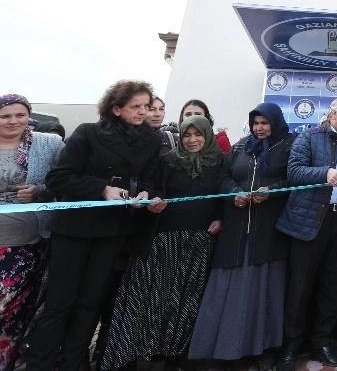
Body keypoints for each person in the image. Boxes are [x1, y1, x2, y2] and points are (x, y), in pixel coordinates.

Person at [28, 80, 161, 371]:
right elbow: (58, 178)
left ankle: (75, 362)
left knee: (90, 301)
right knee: (60, 301)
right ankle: (41, 362)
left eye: (146, 106)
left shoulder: (151, 140)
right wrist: (101, 189)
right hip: (76, 228)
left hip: (114, 230)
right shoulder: (88, 133)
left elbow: (149, 178)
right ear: (116, 108)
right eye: (135, 107)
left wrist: (143, 195)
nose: (143, 112)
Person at [101, 115, 225, 370]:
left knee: (186, 302)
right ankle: (143, 354)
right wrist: (153, 202)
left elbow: (224, 197)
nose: (192, 140)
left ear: (208, 135)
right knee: (154, 300)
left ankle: (174, 355)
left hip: (200, 245)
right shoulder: (168, 162)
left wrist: (220, 218)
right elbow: (152, 188)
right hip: (163, 243)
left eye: (198, 134)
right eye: (187, 135)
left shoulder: (221, 163)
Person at [188, 102, 294, 366]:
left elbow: (293, 180)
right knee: (227, 290)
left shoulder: (288, 146)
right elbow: (223, 176)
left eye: (265, 122)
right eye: (256, 122)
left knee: (265, 293)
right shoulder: (240, 147)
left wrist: (271, 191)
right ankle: (222, 351)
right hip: (236, 233)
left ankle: (262, 350)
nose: (259, 128)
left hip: (268, 233)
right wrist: (234, 192)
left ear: (276, 122)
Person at [276, 97, 337, 370]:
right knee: (299, 288)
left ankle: (322, 344)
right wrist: (323, 173)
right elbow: (294, 171)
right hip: (309, 221)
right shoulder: (309, 136)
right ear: (334, 115)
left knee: (332, 285)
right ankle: (290, 347)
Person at [0, 94, 62, 371]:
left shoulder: (49, 144)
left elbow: (66, 180)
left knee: (12, 314)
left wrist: (41, 191)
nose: (13, 121)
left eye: (20, 115)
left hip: (25, 244)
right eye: (5, 116)